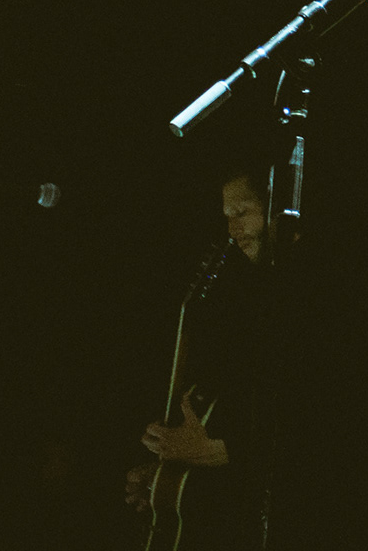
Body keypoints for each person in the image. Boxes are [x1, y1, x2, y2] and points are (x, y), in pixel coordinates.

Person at [125, 163, 276, 548]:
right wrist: (164, 471)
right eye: (226, 218)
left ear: (276, 207)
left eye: (242, 212)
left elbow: (312, 419)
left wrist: (219, 451)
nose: (233, 229)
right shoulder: (245, 300)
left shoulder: (305, 295)